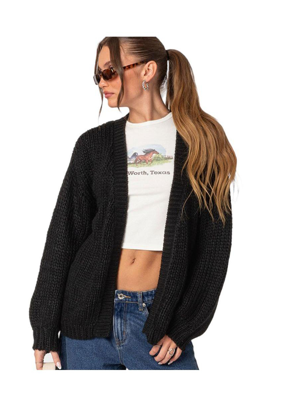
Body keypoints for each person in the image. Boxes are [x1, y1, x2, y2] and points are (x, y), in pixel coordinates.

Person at [29, 37, 237, 370]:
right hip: (86, 320)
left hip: (157, 323)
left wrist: (184, 326)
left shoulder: (201, 140)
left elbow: (213, 248)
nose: (102, 83)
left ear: (147, 71)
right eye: (97, 75)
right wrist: (44, 324)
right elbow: (64, 235)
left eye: (110, 72)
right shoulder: (93, 145)